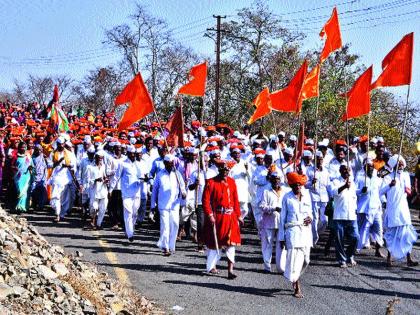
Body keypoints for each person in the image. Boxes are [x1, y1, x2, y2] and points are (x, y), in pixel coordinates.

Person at [202, 160, 243, 279]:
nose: (225, 172)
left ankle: (230, 270)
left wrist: (239, 215)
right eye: (223, 170)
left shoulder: (232, 182)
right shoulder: (211, 182)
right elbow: (205, 201)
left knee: (231, 244)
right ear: (219, 170)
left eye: (227, 170)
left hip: (231, 217)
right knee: (215, 244)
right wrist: (209, 215)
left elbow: (235, 200)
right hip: (217, 217)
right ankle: (212, 266)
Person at [278, 172, 312, 298]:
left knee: (306, 260)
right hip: (292, 231)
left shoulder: (307, 196)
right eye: (295, 185)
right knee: (295, 260)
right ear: (291, 186)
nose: (298, 187)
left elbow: (311, 212)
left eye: (299, 185)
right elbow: (282, 219)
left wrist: (311, 218)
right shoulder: (287, 197)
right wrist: (281, 237)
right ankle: (297, 286)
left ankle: (295, 276)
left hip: (305, 231)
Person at [380, 155, 418, 267]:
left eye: (402, 163)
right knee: (392, 235)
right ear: (394, 165)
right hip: (393, 209)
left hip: (404, 209)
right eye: (398, 163)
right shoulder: (388, 177)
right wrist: (389, 185)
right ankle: (389, 258)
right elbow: (380, 192)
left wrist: (409, 189)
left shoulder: (406, 175)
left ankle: (409, 259)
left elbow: (409, 191)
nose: (400, 165)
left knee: (406, 234)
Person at [151, 154, 186, 256]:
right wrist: (153, 206)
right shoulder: (160, 175)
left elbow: (182, 187)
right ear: (165, 163)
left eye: (172, 163)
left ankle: (171, 245)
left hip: (175, 204)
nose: (170, 165)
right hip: (163, 205)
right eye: (168, 163)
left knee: (175, 224)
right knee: (165, 226)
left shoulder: (177, 174)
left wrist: (184, 193)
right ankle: (166, 247)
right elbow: (154, 191)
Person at [109, 145, 142, 242]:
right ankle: (130, 234)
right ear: (127, 154)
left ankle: (130, 228)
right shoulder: (122, 164)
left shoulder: (138, 164)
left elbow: (144, 176)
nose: (133, 156)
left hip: (137, 193)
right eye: (131, 154)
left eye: (134, 154)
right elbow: (116, 177)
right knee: (128, 212)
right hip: (126, 193)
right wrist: (110, 189)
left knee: (135, 213)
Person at [259, 171, 288, 273]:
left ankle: (281, 267)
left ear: (280, 180)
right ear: (270, 180)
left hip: (281, 222)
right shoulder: (266, 191)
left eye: (278, 179)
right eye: (274, 179)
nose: (276, 181)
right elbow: (262, 206)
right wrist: (273, 208)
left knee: (281, 245)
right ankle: (267, 267)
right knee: (267, 245)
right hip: (269, 222)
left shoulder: (285, 192)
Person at [330, 165, 359, 268]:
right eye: (344, 170)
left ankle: (350, 255)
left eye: (348, 170)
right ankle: (342, 259)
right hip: (339, 215)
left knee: (355, 237)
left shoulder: (353, 182)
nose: (347, 172)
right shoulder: (335, 181)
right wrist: (344, 186)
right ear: (340, 171)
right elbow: (333, 192)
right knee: (339, 239)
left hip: (351, 215)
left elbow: (354, 196)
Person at [355, 159, 384, 256]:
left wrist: (384, 200)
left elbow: (381, 191)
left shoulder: (377, 178)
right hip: (364, 208)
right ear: (364, 167)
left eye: (372, 166)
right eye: (368, 166)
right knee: (364, 229)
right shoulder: (360, 177)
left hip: (376, 208)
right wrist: (361, 191)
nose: (370, 168)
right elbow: (354, 190)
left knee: (379, 229)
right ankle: (356, 249)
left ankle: (378, 250)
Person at [86, 151, 109, 229]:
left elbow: (105, 176)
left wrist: (106, 180)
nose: (100, 159)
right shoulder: (89, 167)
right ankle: (92, 220)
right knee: (94, 208)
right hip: (94, 190)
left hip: (103, 190)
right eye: (98, 158)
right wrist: (95, 180)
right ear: (95, 158)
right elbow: (88, 180)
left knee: (103, 208)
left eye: (101, 158)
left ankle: (98, 224)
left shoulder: (103, 166)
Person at [12, 142, 33, 212]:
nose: (23, 148)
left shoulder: (28, 156)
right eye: (22, 147)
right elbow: (11, 165)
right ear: (19, 148)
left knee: (24, 192)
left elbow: (31, 165)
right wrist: (15, 168)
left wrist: (30, 167)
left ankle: (21, 208)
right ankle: (19, 206)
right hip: (18, 177)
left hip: (26, 176)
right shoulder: (15, 156)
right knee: (20, 191)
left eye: (24, 147)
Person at [30, 144, 47, 211]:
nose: (39, 151)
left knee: (42, 192)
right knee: (33, 191)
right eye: (37, 149)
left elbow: (47, 166)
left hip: (42, 177)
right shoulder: (32, 157)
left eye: (40, 150)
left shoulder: (43, 157)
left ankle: (41, 206)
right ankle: (34, 204)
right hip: (35, 177)